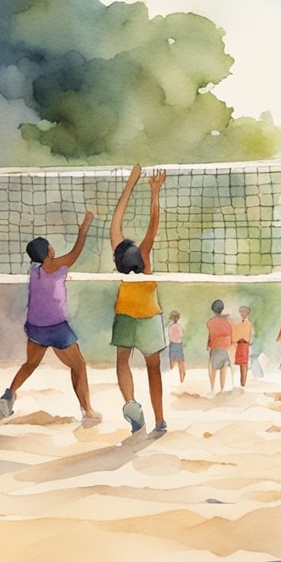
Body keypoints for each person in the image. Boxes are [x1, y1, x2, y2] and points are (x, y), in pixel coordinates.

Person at [0, 212, 101, 422]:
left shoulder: (34, 269)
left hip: (35, 327)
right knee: (78, 366)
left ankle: (9, 395)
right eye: (50, 246)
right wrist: (83, 230)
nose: (53, 248)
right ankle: (88, 411)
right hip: (55, 328)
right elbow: (74, 254)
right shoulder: (50, 265)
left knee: (31, 363)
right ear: (47, 253)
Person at [109, 165, 169, 434]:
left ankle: (131, 403)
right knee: (153, 369)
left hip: (125, 316)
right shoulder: (144, 261)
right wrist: (154, 192)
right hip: (149, 319)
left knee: (122, 360)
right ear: (141, 257)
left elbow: (115, 222)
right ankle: (159, 421)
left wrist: (131, 182)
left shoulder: (120, 260)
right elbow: (153, 226)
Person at [206, 299, 232, 393]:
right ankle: (222, 389)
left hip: (214, 348)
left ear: (213, 310)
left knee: (213, 369)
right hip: (224, 348)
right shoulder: (227, 323)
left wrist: (208, 345)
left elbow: (211, 335)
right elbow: (229, 335)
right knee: (223, 369)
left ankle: (212, 388)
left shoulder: (210, 322)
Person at [233, 306, 255, 388]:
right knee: (241, 364)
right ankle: (242, 383)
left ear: (247, 313)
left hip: (245, 345)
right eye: (241, 312)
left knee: (244, 364)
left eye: (244, 312)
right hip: (239, 345)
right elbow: (235, 336)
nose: (242, 314)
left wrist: (247, 341)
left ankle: (243, 383)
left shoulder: (249, 324)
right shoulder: (238, 324)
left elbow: (252, 337)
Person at [167, 311, 186, 383]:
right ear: (178, 318)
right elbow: (181, 335)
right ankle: (182, 381)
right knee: (181, 365)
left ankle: (172, 381)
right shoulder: (179, 327)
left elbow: (170, 336)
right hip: (179, 345)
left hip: (172, 345)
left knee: (171, 364)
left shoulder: (170, 327)